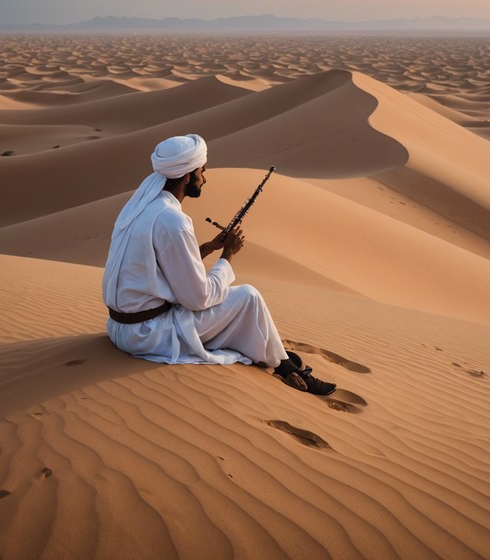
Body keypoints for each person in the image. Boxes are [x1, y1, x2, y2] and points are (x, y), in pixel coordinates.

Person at [102, 133, 336, 395]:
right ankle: (284, 367)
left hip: (119, 329)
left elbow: (156, 269)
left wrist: (207, 249)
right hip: (148, 336)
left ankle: (277, 356)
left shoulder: (140, 206)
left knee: (237, 305)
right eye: (202, 171)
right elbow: (197, 299)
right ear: (188, 175)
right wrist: (228, 255)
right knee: (248, 296)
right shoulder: (172, 220)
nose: (205, 178)